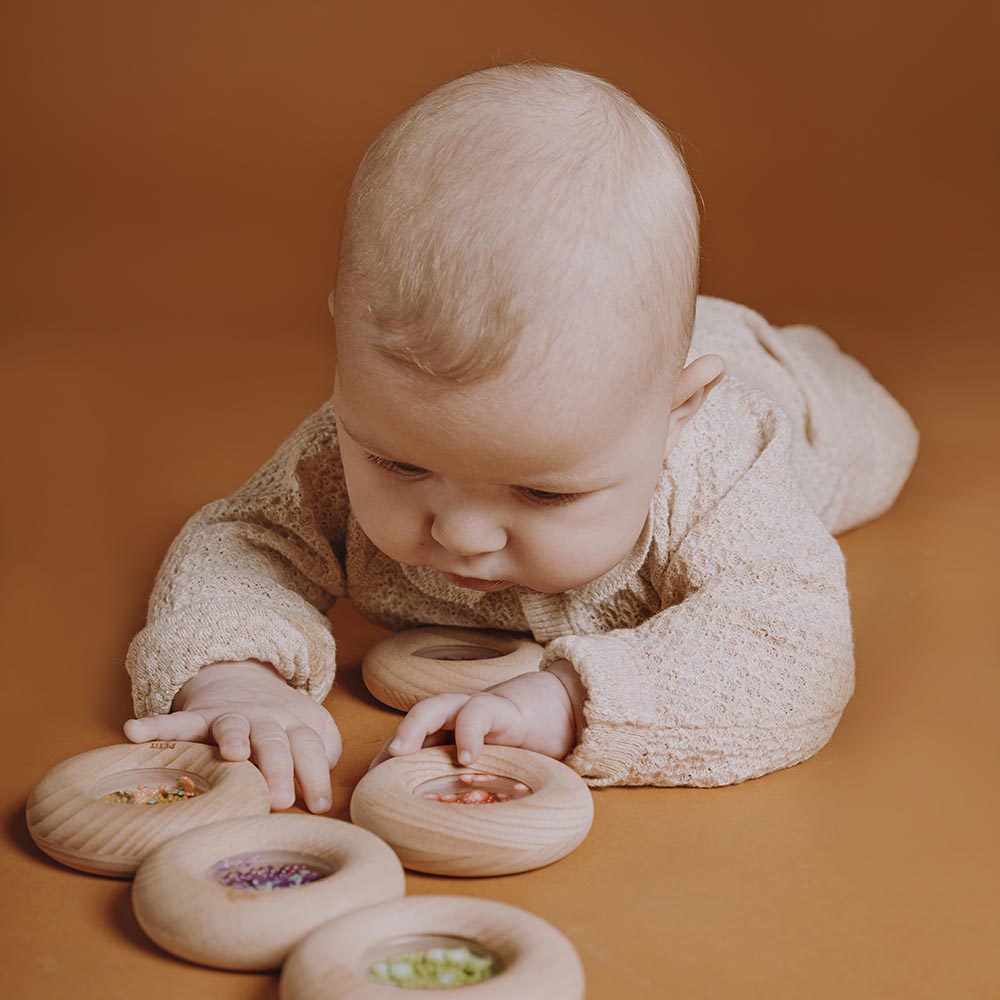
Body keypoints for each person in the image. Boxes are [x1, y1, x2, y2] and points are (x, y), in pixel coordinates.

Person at [123, 62, 919, 813]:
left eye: (545, 490)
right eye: (401, 464)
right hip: (606, 372)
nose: (460, 534)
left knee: (880, 446)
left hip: (765, 381)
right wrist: (234, 674)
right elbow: (243, 541)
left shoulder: (723, 460)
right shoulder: (352, 434)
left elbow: (791, 651)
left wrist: (576, 700)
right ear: (346, 358)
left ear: (674, 418)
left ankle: (799, 357)